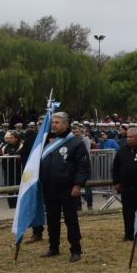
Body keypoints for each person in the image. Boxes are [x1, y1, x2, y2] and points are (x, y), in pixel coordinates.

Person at [39, 112, 90, 262]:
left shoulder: (76, 143)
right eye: (53, 122)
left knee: (70, 219)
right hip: (49, 187)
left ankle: (75, 249)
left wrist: (78, 184)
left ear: (66, 125)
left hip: (68, 188)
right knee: (52, 218)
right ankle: (53, 247)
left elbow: (83, 166)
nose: (53, 125)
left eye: (57, 122)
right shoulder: (47, 142)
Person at [112, 127, 137, 242]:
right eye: (127, 137)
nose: (128, 139)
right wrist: (116, 181)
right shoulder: (123, 150)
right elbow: (115, 167)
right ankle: (128, 234)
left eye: (131, 137)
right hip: (126, 187)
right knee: (127, 212)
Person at [0, 131, 26, 209]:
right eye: (8, 138)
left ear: (16, 139)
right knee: (9, 189)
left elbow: (21, 153)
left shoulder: (22, 145)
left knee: (19, 188)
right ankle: (12, 206)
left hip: (19, 171)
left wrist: (10, 154)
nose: (9, 139)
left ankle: (20, 205)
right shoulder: (5, 146)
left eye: (11, 138)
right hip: (7, 170)